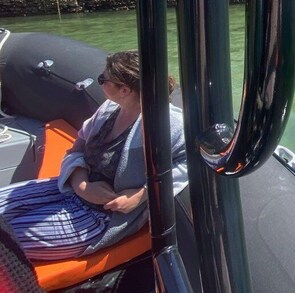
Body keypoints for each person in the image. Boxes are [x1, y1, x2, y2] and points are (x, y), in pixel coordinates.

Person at [0, 50, 187, 261]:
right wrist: (82, 185)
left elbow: (188, 162)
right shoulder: (109, 108)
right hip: (69, 190)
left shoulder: (168, 124)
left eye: (102, 79)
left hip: (101, 217)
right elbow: (79, 144)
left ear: (124, 90)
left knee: (5, 240)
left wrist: (140, 195)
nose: (99, 83)